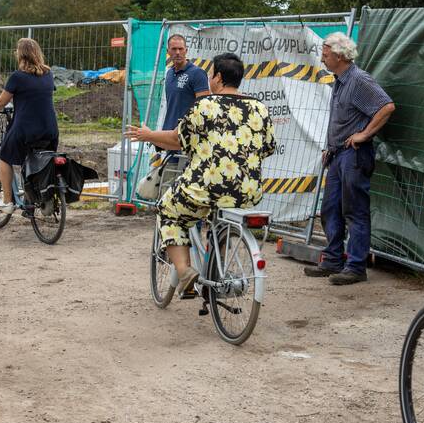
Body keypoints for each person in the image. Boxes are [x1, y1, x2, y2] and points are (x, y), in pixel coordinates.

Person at [125, 53, 277, 304]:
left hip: (205, 186)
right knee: (220, 217)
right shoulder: (259, 108)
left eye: (210, 75)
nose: (208, 79)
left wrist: (148, 135)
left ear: (218, 77)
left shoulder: (204, 106)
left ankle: (185, 273)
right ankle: (215, 268)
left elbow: (177, 139)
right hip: (247, 189)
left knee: (168, 209)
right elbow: (268, 147)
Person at [303, 33, 395, 285]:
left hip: (354, 156)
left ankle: (356, 266)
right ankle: (333, 260)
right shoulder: (341, 81)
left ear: (340, 55)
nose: (322, 55)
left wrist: (364, 134)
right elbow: (343, 119)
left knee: (354, 211)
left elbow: (386, 106)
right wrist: (329, 147)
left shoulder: (358, 80)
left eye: (325, 51)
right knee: (331, 209)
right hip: (338, 154)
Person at [0, 38, 59, 214]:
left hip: (26, 129)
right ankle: (32, 203)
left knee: (5, 156)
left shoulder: (17, 77)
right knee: (33, 159)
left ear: (21, 54)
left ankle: (8, 202)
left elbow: (2, 101)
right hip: (50, 130)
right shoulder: (48, 74)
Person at [161, 34, 210, 132]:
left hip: (187, 135)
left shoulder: (197, 73)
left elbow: (204, 108)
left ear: (186, 50)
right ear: (168, 51)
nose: (178, 52)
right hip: (168, 131)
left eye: (181, 49)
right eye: (174, 49)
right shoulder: (169, 73)